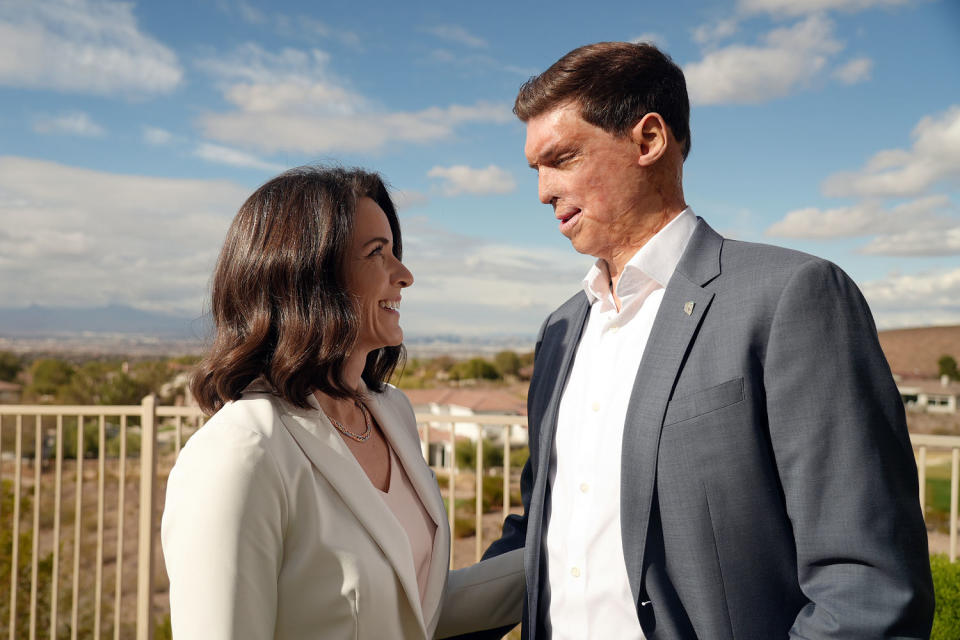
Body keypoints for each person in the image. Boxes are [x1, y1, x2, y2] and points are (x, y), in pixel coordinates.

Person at [469, 42, 934, 639]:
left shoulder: (793, 297)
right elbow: (541, 527)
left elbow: (869, 586)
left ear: (648, 140)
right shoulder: (560, 330)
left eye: (561, 158)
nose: (542, 191)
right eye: (535, 169)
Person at [161, 166, 522, 640]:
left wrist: (567, 558)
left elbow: (411, 609)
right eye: (378, 253)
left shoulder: (392, 413)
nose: (405, 275)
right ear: (308, 276)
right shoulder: (240, 453)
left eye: (396, 252)